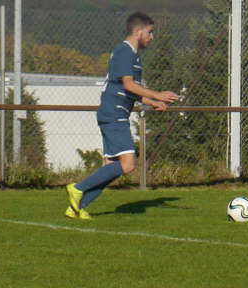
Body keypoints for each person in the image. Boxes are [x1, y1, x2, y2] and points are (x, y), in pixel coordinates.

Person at [65, 12, 179, 219]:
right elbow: (128, 84)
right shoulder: (124, 52)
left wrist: (153, 102)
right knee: (128, 165)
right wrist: (157, 93)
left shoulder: (132, 55)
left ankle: (76, 207)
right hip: (114, 113)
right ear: (139, 31)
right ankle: (78, 188)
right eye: (150, 32)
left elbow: (131, 91)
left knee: (112, 168)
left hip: (116, 113)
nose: (152, 37)